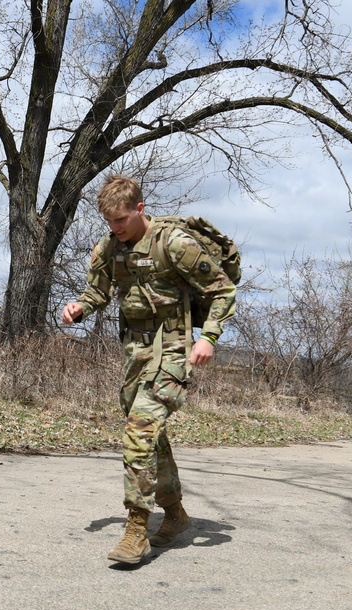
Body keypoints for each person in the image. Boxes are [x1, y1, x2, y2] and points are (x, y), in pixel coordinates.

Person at [61, 175, 236, 565]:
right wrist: (80, 307)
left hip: (174, 347)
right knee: (152, 435)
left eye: (121, 219)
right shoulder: (110, 246)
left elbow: (222, 290)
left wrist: (208, 337)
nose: (116, 228)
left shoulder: (174, 243)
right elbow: (98, 291)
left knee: (139, 429)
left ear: (140, 209)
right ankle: (174, 514)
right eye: (109, 222)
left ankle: (136, 529)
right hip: (135, 350)